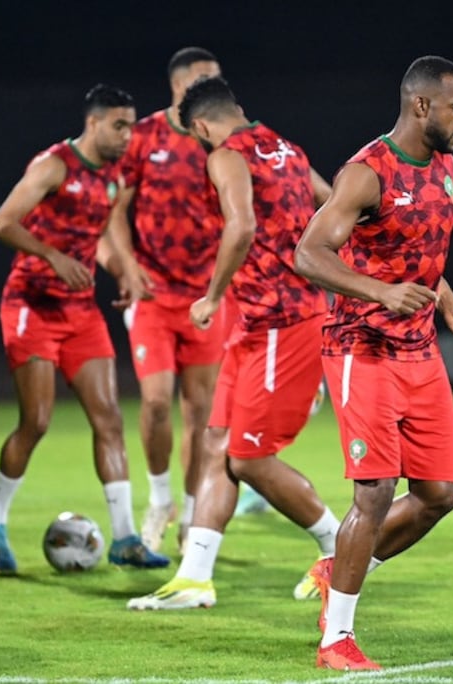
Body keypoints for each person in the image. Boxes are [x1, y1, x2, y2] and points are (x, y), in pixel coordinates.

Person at [293, 56, 453, 669]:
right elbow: (308, 253)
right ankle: (336, 640)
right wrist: (380, 293)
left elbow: (420, 252)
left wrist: (449, 305)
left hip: (419, 349)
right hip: (361, 347)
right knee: (375, 492)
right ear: (421, 105)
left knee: (439, 495)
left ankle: (339, 570)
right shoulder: (366, 172)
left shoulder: (446, 167)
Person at [127, 76, 340, 611]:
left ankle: (342, 548)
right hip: (263, 323)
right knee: (217, 443)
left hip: (280, 323)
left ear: (200, 127)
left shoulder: (225, 156)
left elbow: (240, 226)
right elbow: (333, 204)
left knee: (249, 460)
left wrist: (212, 295)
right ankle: (194, 578)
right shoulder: (287, 148)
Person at [0, 84, 169, 573]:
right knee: (37, 421)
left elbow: (99, 235)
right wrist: (53, 256)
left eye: (131, 126)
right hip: (31, 304)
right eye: (119, 126)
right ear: (93, 123)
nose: (127, 136)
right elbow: (2, 222)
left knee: (109, 418)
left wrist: (123, 271)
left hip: (80, 312)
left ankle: (125, 538)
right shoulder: (54, 165)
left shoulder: (112, 178)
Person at [105, 46, 249, 557]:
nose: (212, 87)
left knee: (201, 412)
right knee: (155, 401)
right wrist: (127, 266)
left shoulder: (225, 142)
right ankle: (159, 500)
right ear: (178, 84)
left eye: (217, 78)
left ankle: (190, 515)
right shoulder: (143, 136)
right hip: (154, 294)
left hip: (207, 295)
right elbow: (115, 210)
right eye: (204, 78)